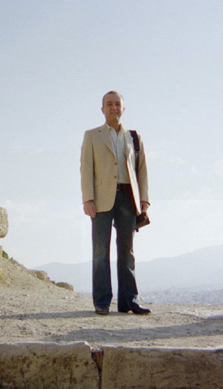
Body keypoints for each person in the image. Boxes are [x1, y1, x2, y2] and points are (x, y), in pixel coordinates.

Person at [80, 90, 151, 316]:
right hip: (101, 199)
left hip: (128, 198)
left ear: (123, 108)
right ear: (102, 109)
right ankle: (102, 301)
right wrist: (88, 199)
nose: (114, 108)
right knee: (101, 251)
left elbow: (142, 170)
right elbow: (85, 170)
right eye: (109, 104)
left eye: (117, 104)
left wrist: (144, 201)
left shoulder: (133, 137)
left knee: (127, 251)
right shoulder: (92, 135)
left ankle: (129, 301)